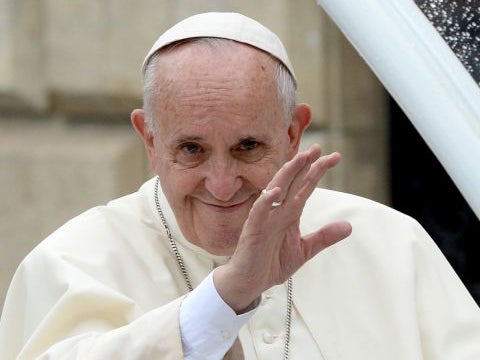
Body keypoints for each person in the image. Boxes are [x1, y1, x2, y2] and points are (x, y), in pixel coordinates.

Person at [1, 12, 479, 360]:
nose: (223, 185)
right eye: (192, 149)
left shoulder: (390, 243)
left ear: (293, 133)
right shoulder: (71, 262)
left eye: (248, 146)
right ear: (150, 138)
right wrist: (224, 299)